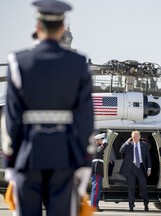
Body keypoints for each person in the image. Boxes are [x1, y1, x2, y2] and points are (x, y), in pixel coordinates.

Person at [1, 1, 95, 215]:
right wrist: (83, 162)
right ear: (62, 28)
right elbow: (85, 119)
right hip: (64, 156)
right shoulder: (79, 64)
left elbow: (12, 118)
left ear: (37, 27)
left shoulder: (18, 62)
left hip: (28, 154)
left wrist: (11, 160)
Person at [119, 130, 151, 212]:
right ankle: (131, 206)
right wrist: (127, 142)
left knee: (143, 187)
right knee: (131, 188)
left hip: (141, 168)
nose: (135, 138)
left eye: (136, 136)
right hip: (131, 168)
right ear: (131, 137)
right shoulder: (128, 145)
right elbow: (121, 151)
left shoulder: (145, 145)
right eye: (133, 136)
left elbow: (148, 158)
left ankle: (146, 204)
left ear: (139, 137)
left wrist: (149, 168)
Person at [90, 133, 108, 212]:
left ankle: (95, 206)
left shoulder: (97, 147)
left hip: (98, 169)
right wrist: (104, 144)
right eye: (102, 139)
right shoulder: (95, 146)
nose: (103, 140)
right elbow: (100, 151)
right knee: (96, 188)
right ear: (98, 140)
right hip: (96, 169)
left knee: (97, 188)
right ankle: (94, 206)